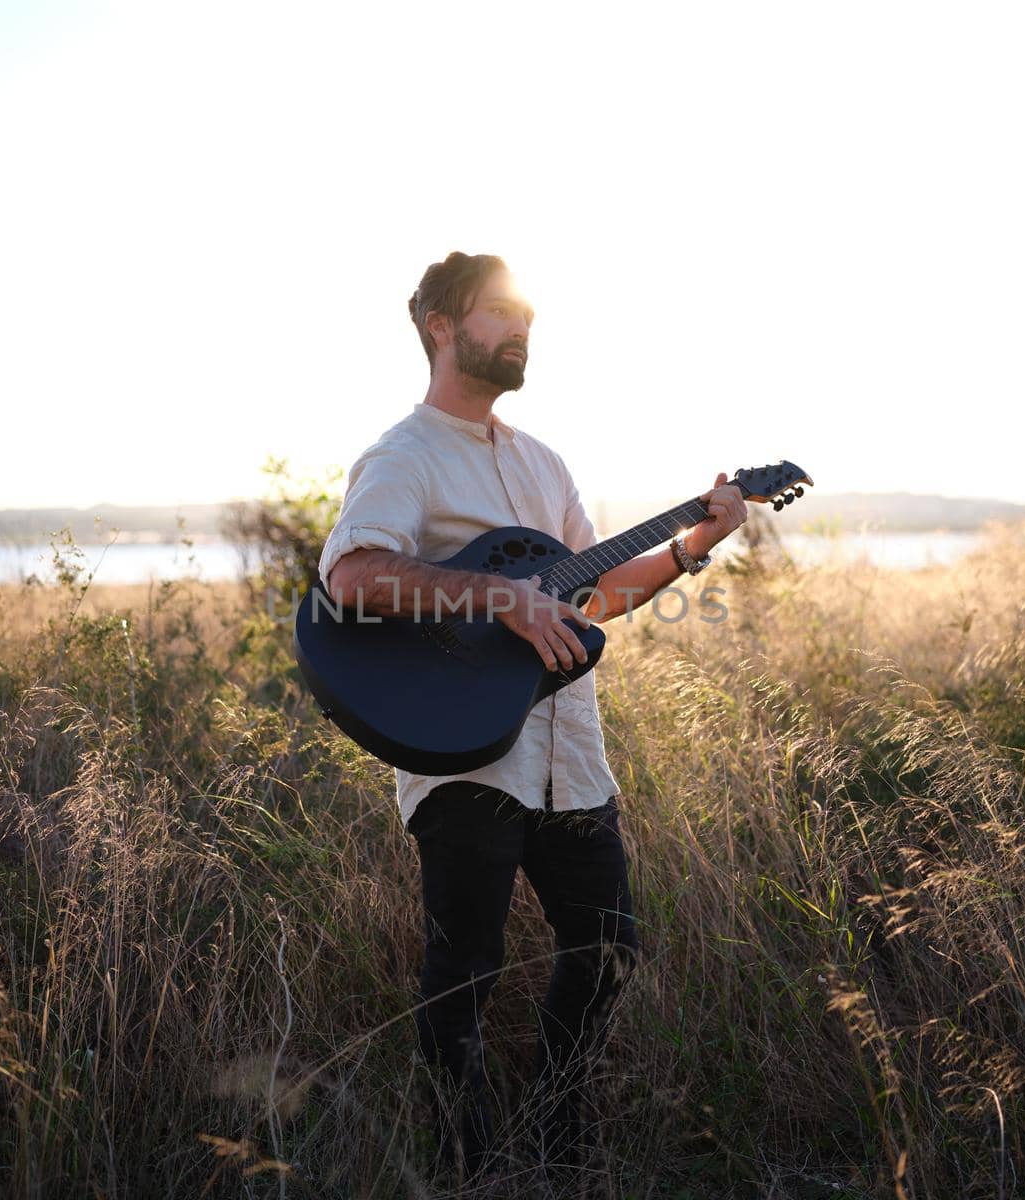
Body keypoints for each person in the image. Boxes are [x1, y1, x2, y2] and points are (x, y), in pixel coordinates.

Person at [317, 252, 749, 1180]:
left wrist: (696, 542)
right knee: (464, 972)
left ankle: (560, 1136)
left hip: (572, 757)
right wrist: (498, 601)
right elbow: (350, 573)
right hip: (465, 759)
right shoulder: (405, 457)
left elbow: (598, 593)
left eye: (527, 318)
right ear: (441, 325)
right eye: (499, 314)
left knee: (611, 949)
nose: (521, 330)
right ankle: (465, 1166)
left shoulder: (542, 462)